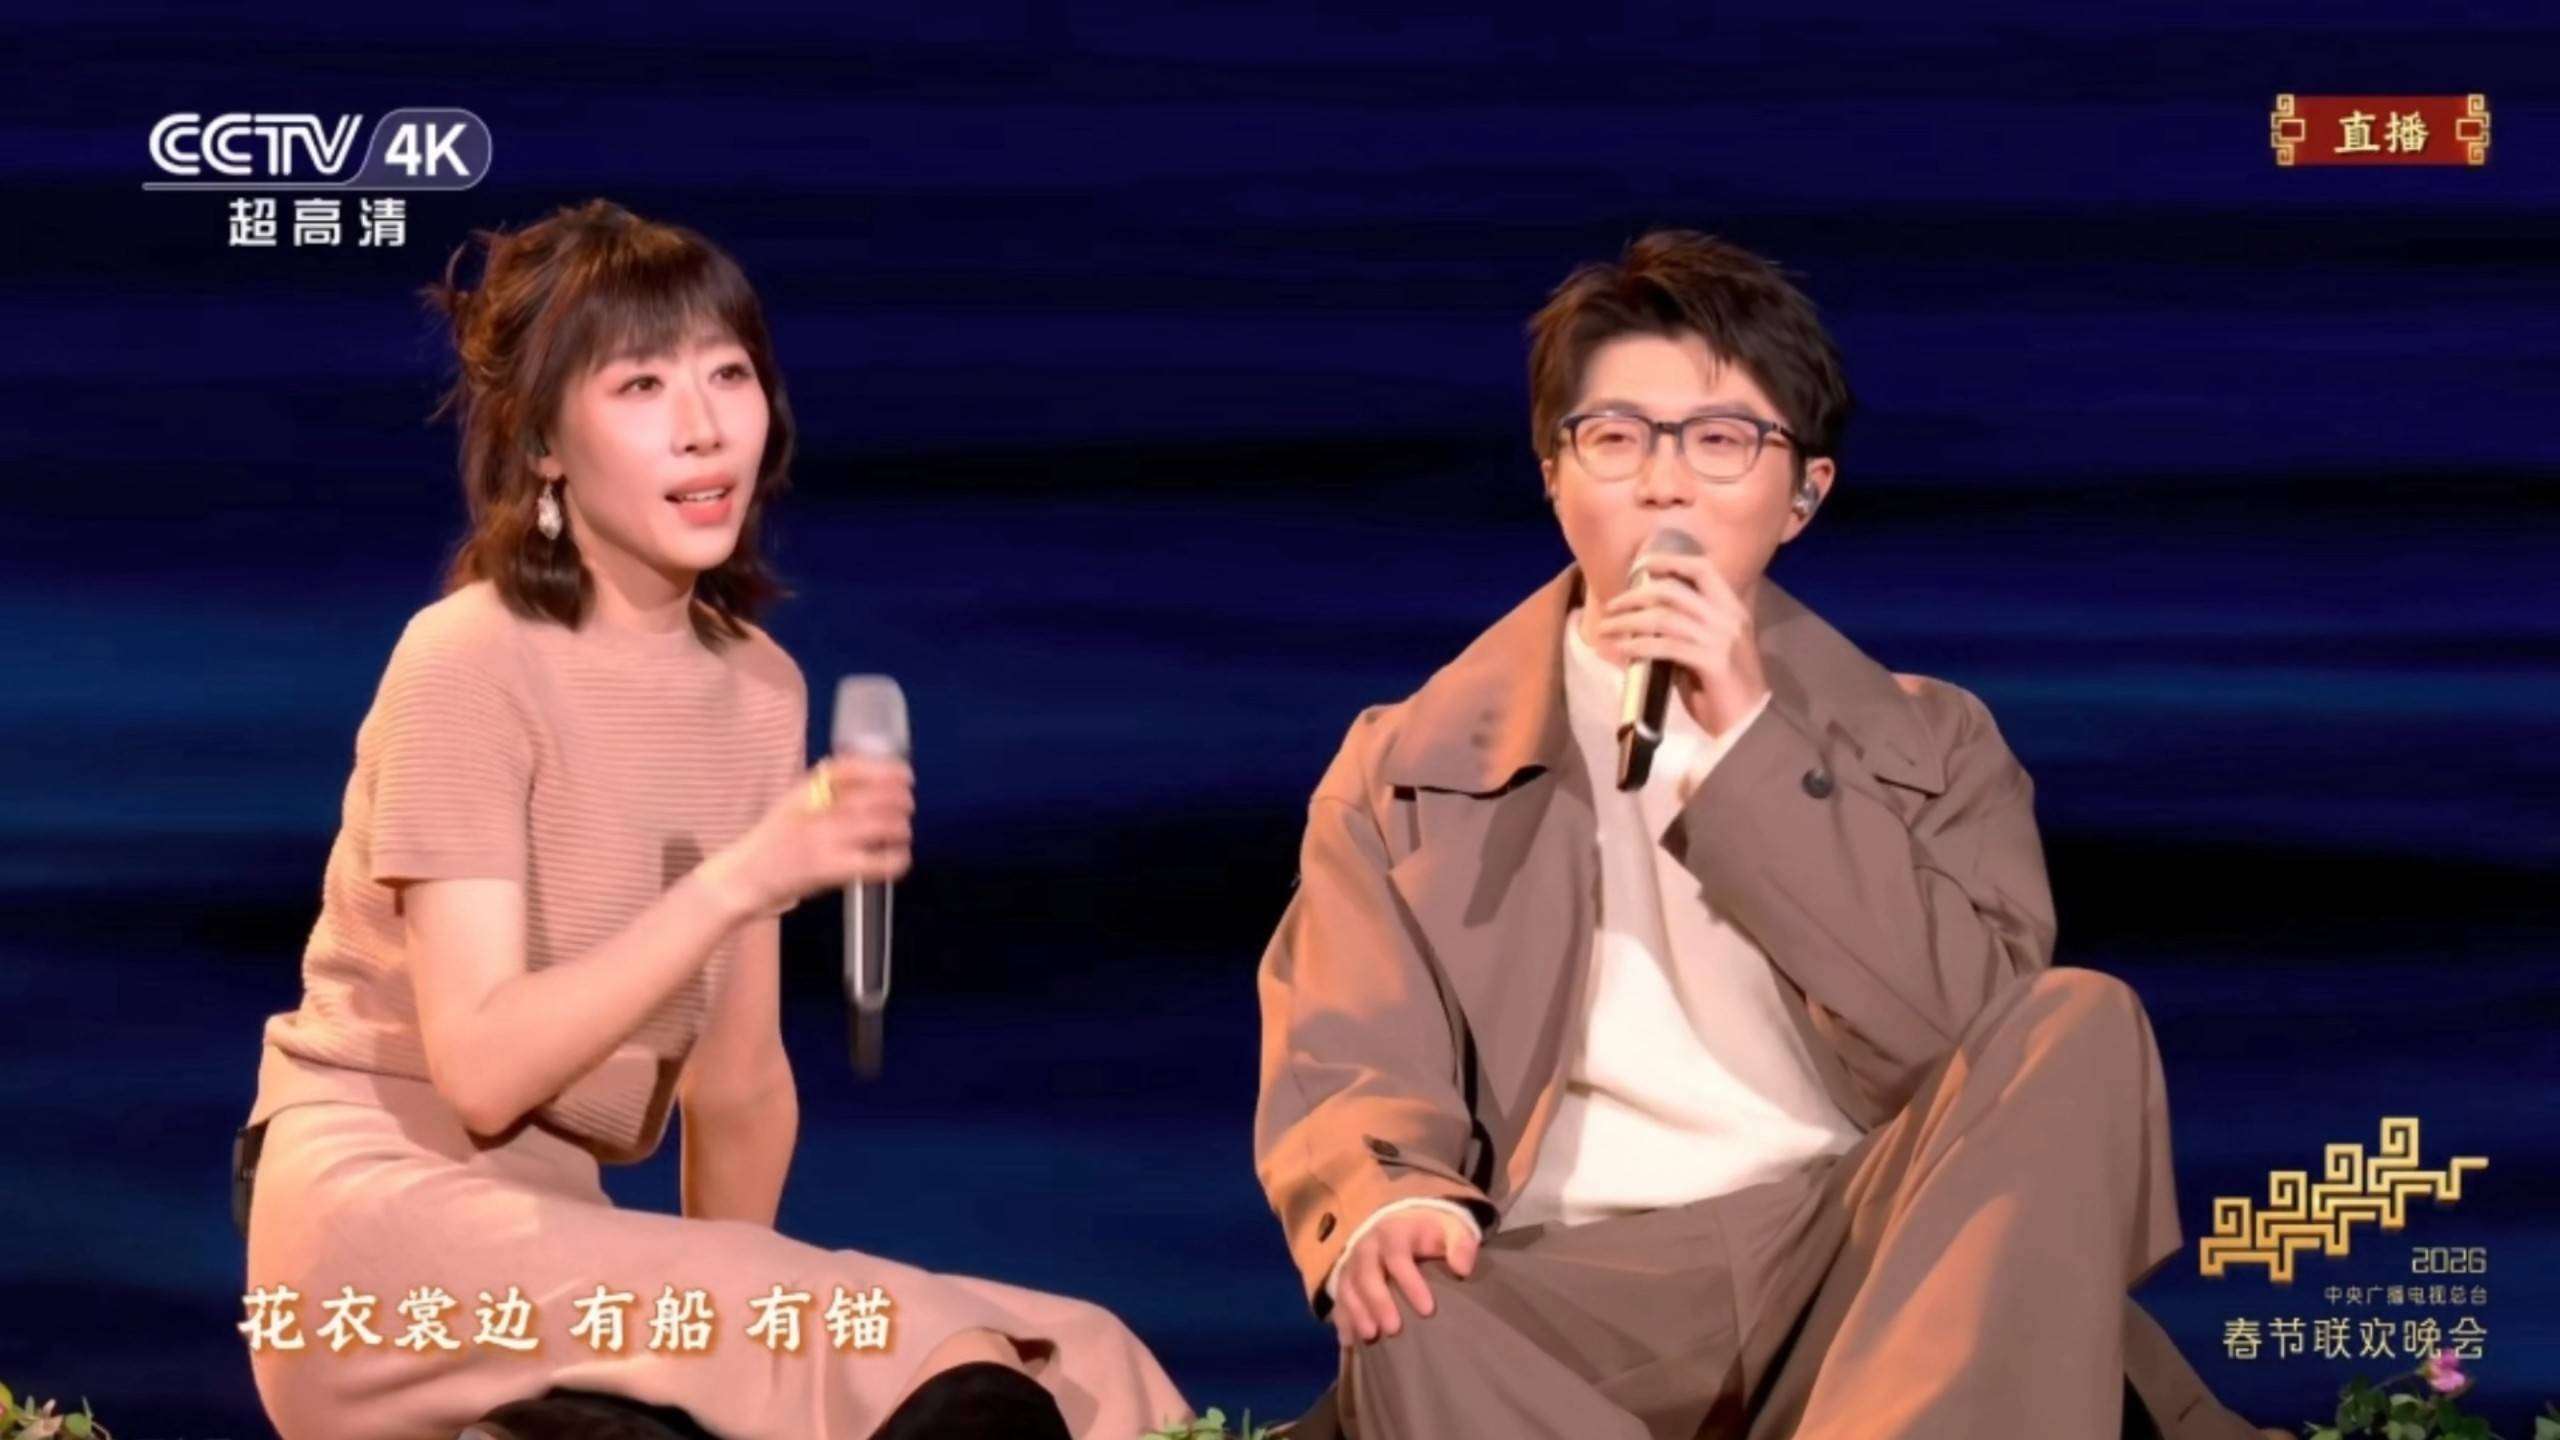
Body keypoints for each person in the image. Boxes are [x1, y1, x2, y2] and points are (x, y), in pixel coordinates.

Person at [1253, 230, 2282, 1439]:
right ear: (1554, 474)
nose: (1664, 484)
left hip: (1867, 1252)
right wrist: (1389, 1203)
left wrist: (1749, 740)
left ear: (1804, 494)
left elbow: (1960, 1047)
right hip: (1568, 1287)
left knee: (2076, 1020)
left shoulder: (1935, 741)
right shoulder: (1402, 764)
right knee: (1410, 1315)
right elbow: (1350, 1046)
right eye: (1616, 437)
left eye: (1721, 440)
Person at [236, 198, 1190, 1440]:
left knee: (1087, 1361)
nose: (703, 427)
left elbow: (739, 1086)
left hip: (567, 1236)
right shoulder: (466, 659)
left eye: (727, 375)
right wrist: (741, 877)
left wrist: (750, 1351)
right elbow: (482, 1071)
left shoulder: (756, 690)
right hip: (384, 1226)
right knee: (910, 1347)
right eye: (641, 385)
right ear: (543, 443)